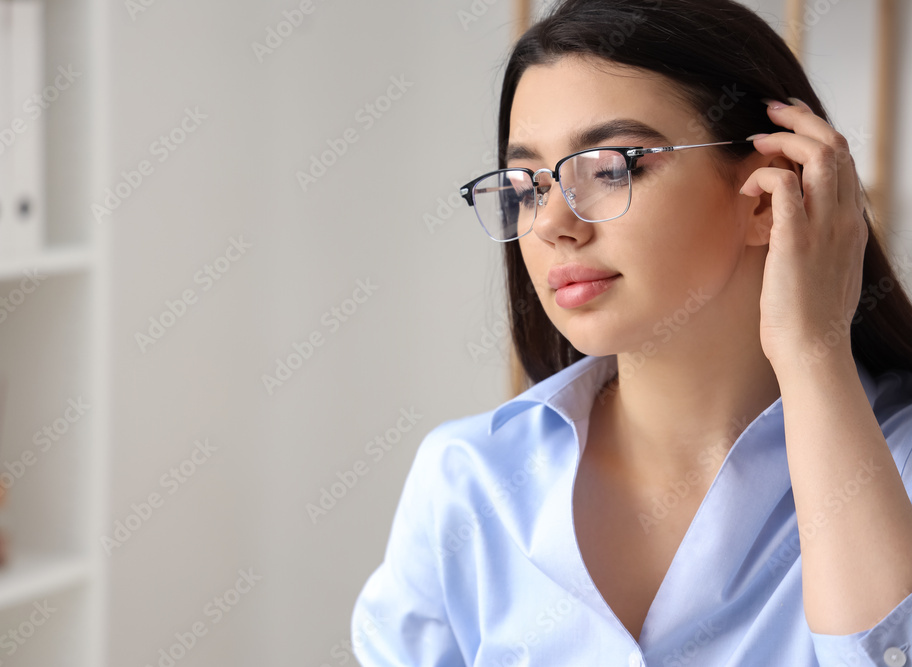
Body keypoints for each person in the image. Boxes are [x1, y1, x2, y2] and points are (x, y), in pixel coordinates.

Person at [351, 1, 912, 665]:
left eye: (613, 166)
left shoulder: (895, 461)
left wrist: (814, 348)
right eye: (527, 184)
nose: (555, 222)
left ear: (767, 193)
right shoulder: (469, 479)